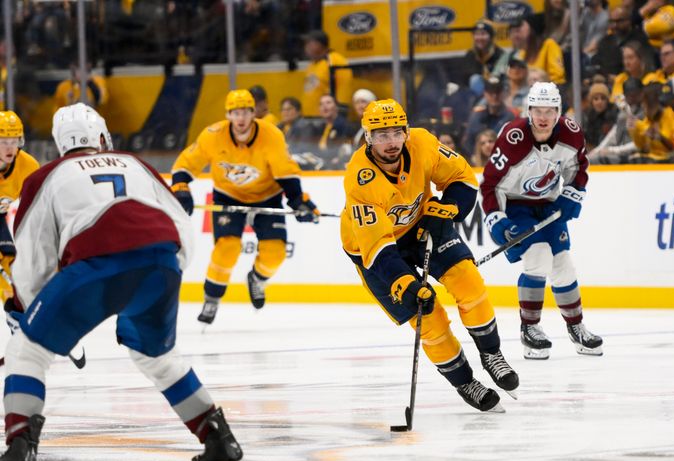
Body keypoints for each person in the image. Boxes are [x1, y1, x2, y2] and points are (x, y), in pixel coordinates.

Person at [0, 103, 249, 461]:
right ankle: (220, 442)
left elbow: (33, 259)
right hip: (162, 263)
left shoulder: (44, 176)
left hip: (95, 267)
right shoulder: (135, 163)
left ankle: (18, 455)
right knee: (158, 356)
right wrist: (167, 270)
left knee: (25, 352)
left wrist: (31, 313)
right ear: (102, 138)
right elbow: (181, 227)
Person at [340, 99, 519, 412]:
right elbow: (378, 248)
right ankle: (465, 382)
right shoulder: (360, 179)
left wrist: (447, 209)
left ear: (406, 131)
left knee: (468, 280)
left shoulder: (423, 142)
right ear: (368, 138)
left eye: (396, 133)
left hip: (420, 224)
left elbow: (462, 179)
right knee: (428, 316)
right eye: (381, 135)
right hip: (373, 251)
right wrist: (407, 285)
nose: (391, 142)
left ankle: (491, 353)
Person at [170, 89, 319, 325]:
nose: (240, 118)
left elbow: (286, 171)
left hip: (266, 196)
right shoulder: (213, 135)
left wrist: (298, 200)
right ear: (228, 115)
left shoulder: (271, 135)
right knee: (227, 248)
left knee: (275, 253)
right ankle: (212, 298)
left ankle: (257, 279)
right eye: (235, 113)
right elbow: (187, 163)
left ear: (253, 113)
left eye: (245, 112)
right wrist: (180, 187)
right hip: (228, 196)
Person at [480, 82, 603, 360]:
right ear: (529, 111)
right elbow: (489, 185)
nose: (544, 117)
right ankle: (530, 329)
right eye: (538, 110)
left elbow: (578, 168)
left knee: (563, 265)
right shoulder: (513, 138)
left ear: (558, 111)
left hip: (547, 205)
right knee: (538, 256)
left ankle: (576, 327)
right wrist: (497, 221)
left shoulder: (571, 134)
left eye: (550, 111)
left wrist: (573, 194)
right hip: (515, 206)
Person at [0, 111, 40, 304]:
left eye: (14, 140)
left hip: (16, 236)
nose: (10, 147)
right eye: (4, 141)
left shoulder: (29, 165)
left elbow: (38, 209)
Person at [301, 30, 352, 116]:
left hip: (326, 117)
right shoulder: (312, 65)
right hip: (309, 116)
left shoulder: (335, 60)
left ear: (320, 44)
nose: (306, 47)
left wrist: (341, 110)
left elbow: (344, 86)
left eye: (310, 43)